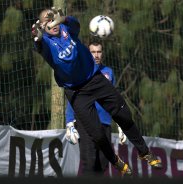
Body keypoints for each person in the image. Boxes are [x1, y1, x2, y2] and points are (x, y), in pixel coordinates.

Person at [31, 7, 162, 176]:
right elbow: (39, 44)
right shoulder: (46, 43)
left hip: (94, 79)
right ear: (42, 25)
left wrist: (62, 19)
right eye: (47, 21)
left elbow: (75, 24)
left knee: (124, 116)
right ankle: (115, 160)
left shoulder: (66, 29)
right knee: (97, 135)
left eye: (53, 18)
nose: (52, 23)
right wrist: (38, 39)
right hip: (76, 91)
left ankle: (144, 152)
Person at [65, 41, 127, 176]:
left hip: (105, 123)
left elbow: (113, 100)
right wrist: (69, 122)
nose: (96, 55)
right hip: (86, 123)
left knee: (104, 163)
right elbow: (72, 97)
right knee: (89, 161)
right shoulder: (80, 72)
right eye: (93, 52)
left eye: (99, 52)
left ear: (102, 53)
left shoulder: (108, 73)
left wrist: (121, 123)